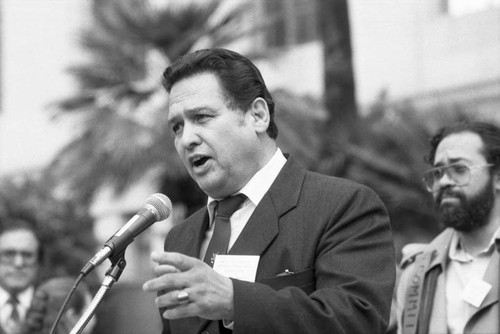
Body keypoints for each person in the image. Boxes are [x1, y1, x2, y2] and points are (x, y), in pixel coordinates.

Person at [142, 48, 395, 334]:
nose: (186, 139)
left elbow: (357, 321)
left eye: (201, 117)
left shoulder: (342, 206)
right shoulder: (180, 237)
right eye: (177, 127)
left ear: (258, 116)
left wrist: (235, 301)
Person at [396, 121, 500, 334]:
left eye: (459, 169)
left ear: (498, 177)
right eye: (438, 173)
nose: (443, 182)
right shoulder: (417, 271)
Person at [0, 222, 43, 334]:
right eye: (8, 254)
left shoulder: (56, 309)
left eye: (27, 255)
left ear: (38, 262)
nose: (18, 263)